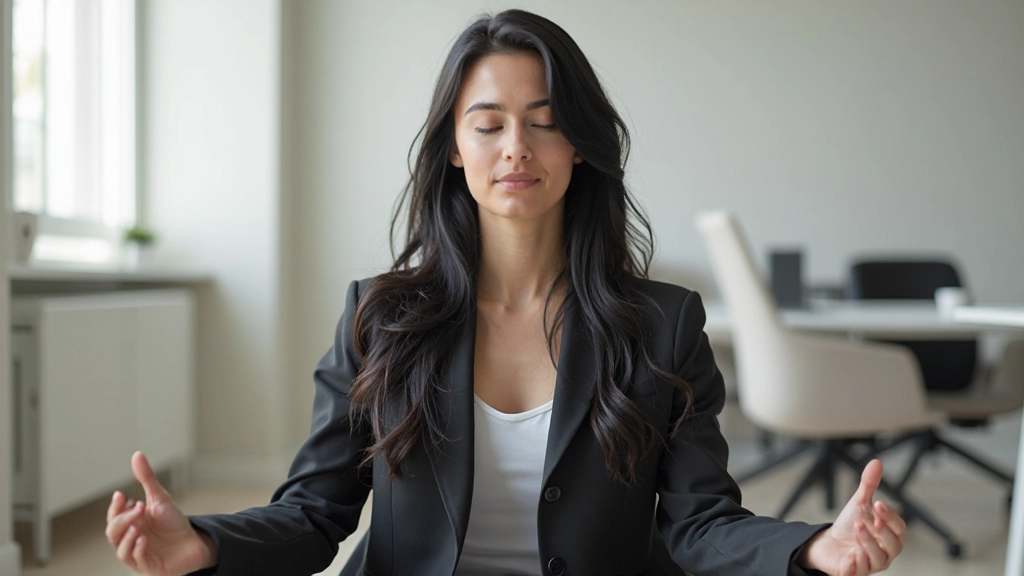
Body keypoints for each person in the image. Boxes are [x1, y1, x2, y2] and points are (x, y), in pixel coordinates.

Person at [105, 9, 906, 576]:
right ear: (455, 147)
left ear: (581, 145)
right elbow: (315, 514)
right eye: (488, 124)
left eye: (545, 120)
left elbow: (700, 524)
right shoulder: (378, 319)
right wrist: (202, 544)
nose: (516, 147)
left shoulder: (664, 325)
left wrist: (811, 551)